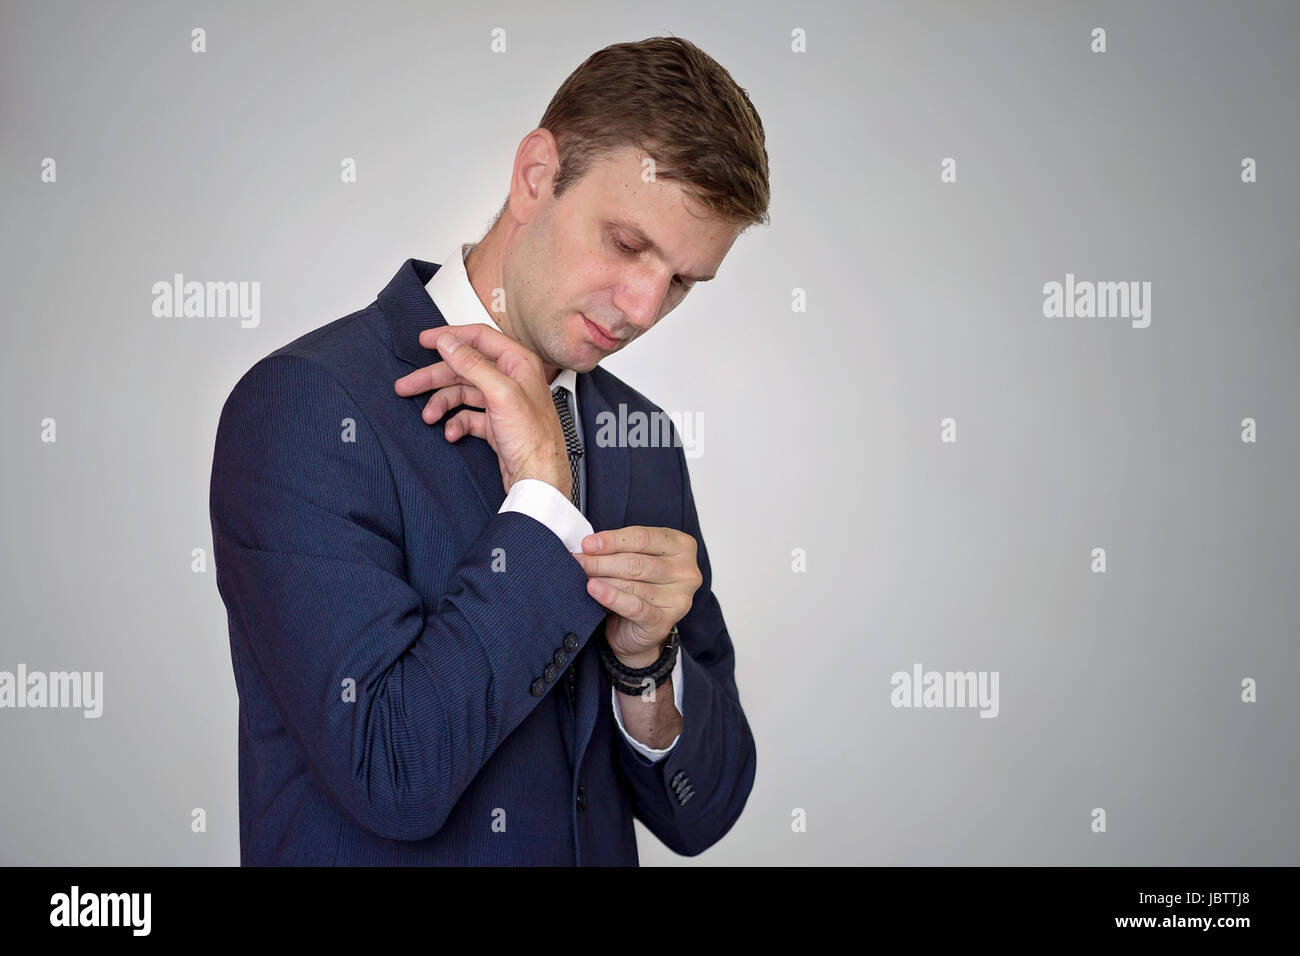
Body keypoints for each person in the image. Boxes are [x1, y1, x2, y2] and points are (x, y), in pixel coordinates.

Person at [209, 35, 768, 865]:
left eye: (684, 281)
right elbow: (391, 772)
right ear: (536, 175)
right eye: (625, 243)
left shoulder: (642, 439)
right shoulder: (305, 407)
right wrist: (545, 500)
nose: (644, 307)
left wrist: (646, 667)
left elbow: (701, 815)